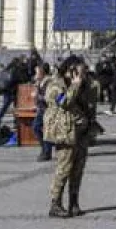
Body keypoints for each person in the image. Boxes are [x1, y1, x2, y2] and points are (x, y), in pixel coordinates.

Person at [43, 56, 101, 218]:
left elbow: (91, 104)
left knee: (78, 169)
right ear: (70, 69)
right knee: (64, 169)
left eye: (83, 72)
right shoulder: (55, 85)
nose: (81, 75)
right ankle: (55, 203)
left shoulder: (86, 84)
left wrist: (88, 85)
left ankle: (73, 202)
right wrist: (75, 86)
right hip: (65, 132)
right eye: (79, 71)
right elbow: (64, 102)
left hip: (81, 131)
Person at [32, 63, 54, 162]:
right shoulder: (40, 82)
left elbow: (49, 97)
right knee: (36, 127)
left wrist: (37, 95)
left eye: (36, 73)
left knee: (45, 130)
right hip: (41, 110)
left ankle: (46, 151)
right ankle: (45, 149)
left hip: (47, 110)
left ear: (42, 73)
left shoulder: (48, 82)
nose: (35, 75)